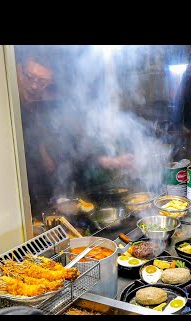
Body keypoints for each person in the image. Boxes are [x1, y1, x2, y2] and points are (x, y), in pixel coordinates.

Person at [15, 46, 134, 215]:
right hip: (26, 207)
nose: (34, 86)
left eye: (42, 81)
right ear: (18, 70)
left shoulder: (46, 110)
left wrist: (110, 161)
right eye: (29, 77)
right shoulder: (8, 113)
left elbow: (73, 151)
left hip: (55, 200)